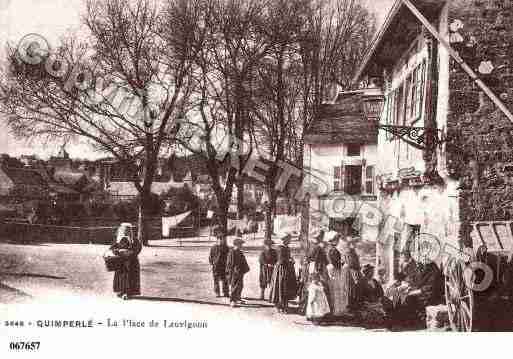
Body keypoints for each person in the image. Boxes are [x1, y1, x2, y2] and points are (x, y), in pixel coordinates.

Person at [298, 229, 328, 314]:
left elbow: (307, 257)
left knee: (309, 288)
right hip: (314, 268)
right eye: (321, 237)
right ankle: (308, 309)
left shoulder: (313, 245)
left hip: (311, 267)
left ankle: (305, 308)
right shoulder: (317, 247)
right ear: (319, 238)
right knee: (313, 288)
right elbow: (317, 259)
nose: (322, 238)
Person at [110, 223, 142, 300]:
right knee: (121, 277)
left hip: (131, 262)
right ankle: (121, 291)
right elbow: (112, 248)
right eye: (124, 229)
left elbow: (137, 249)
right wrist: (118, 251)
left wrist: (128, 253)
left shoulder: (134, 240)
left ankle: (127, 293)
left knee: (130, 277)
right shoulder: (118, 240)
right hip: (121, 262)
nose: (125, 231)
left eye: (127, 230)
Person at [269, 233, 297, 313]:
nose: (290, 241)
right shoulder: (281, 248)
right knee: (281, 286)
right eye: (289, 239)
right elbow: (281, 260)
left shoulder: (287, 248)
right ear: (285, 240)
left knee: (287, 287)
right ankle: (280, 305)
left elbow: (287, 257)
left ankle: (284, 304)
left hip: (287, 269)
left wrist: (291, 259)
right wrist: (290, 261)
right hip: (282, 269)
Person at [325, 231, 350, 316]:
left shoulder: (332, 249)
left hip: (333, 269)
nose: (338, 241)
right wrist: (342, 264)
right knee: (336, 290)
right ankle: (336, 311)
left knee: (336, 290)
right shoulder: (333, 250)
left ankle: (337, 310)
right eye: (336, 240)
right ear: (333, 241)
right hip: (334, 270)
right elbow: (335, 262)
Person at [226, 236, 250, 307]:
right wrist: (231, 272)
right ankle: (232, 300)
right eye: (240, 244)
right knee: (234, 286)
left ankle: (238, 297)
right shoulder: (232, 252)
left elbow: (244, 262)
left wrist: (244, 269)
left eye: (241, 244)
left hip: (240, 272)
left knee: (240, 285)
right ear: (236, 245)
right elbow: (230, 264)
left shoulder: (240, 252)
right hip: (234, 273)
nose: (241, 246)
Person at [340, 239, 362, 310]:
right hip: (352, 271)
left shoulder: (353, 252)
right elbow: (351, 263)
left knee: (355, 288)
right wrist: (357, 267)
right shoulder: (349, 253)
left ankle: (354, 303)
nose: (355, 245)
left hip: (355, 271)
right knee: (350, 287)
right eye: (353, 244)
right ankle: (351, 304)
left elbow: (356, 263)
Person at [209, 226, 230, 298]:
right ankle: (217, 292)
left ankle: (226, 292)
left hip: (224, 266)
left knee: (225, 279)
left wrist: (228, 265)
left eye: (223, 239)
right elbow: (211, 257)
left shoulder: (226, 248)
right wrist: (212, 263)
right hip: (216, 266)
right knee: (216, 280)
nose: (221, 241)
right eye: (220, 239)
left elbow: (229, 257)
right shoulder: (213, 248)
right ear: (217, 239)